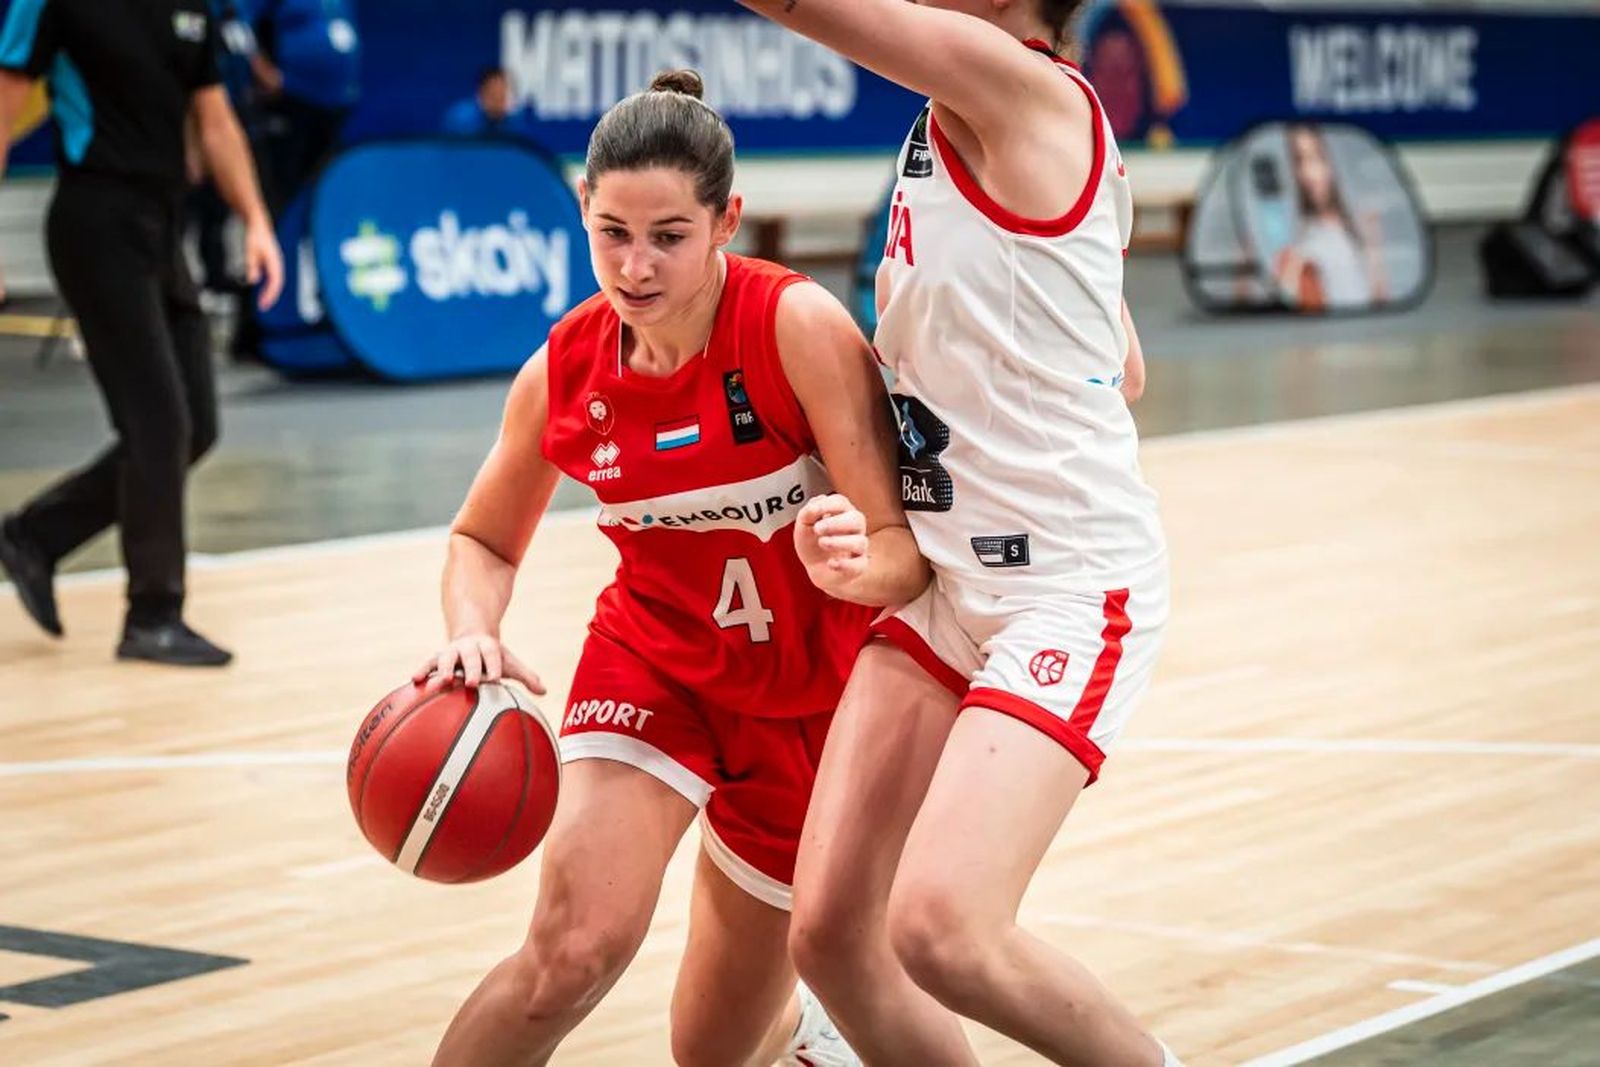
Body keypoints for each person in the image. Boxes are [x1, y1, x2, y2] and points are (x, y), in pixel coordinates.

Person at [415, 70, 923, 1067]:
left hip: (812, 701)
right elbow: (480, 538)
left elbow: (902, 553)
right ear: (582, 213)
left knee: (711, 1048)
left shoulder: (798, 328)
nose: (636, 266)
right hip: (655, 666)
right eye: (612, 233)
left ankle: (805, 1033)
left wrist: (850, 564)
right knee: (569, 952)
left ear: (726, 219)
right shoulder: (564, 368)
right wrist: (471, 625)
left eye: (668, 236)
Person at [738, 2, 1178, 1064]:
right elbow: (1124, 366)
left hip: (1065, 584)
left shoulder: (1021, 86)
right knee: (832, 933)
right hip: (947, 584)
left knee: (939, 924)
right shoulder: (978, 119)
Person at [0, 0, 284, 665]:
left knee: (195, 425)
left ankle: (35, 534)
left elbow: (213, 120)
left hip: (163, 226)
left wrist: (257, 221)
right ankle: (153, 614)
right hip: (94, 220)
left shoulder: (191, 8)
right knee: (157, 421)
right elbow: (5, 104)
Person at [247, 0, 360, 214]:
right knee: (280, 187)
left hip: (336, 104)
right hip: (292, 99)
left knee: (324, 185)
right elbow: (241, 24)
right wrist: (264, 73)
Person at [1272, 123, 1388, 311]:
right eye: (1298, 161)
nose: (1308, 173)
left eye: (1317, 157)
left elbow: (1380, 301)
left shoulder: (1361, 222)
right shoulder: (1293, 236)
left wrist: (1373, 246)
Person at [441, 66, 534, 140]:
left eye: (503, 95)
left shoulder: (515, 121)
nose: (499, 101)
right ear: (481, 93)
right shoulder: (460, 118)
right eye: (494, 95)